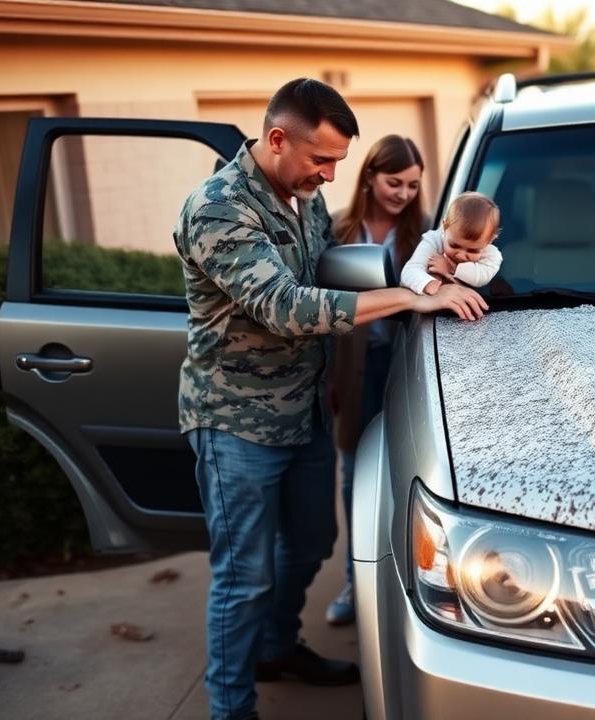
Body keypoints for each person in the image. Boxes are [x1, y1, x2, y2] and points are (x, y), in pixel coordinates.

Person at [173, 77, 486, 720]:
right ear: (277, 138)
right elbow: (286, 307)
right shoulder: (218, 209)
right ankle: (231, 708)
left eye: (339, 161)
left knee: (313, 543)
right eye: (321, 159)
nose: (330, 174)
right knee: (244, 576)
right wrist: (409, 299)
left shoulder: (304, 196)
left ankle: (276, 647)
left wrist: (430, 271)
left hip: (306, 411)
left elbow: (329, 268)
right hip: (236, 422)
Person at [324, 135, 427, 626]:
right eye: (394, 182)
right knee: (355, 476)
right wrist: (328, 376)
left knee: (411, 475)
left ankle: (412, 583)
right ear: (369, 176)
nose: (404, 194)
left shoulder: (426, 235)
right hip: (353, 371)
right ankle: (356, 583)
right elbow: (317, 305)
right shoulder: (337, 230)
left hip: (409, 367)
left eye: (413, 185)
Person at [399, 191, 503, 296]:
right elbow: (410, 271)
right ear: (444, 227)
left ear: (490, 241)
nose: (461, 256)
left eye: (472, 251)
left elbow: (481, 277)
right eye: (454, 246)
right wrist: (428, 284)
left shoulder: (492, 255)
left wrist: (451, 269)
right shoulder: (434, 240)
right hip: (427, 301)